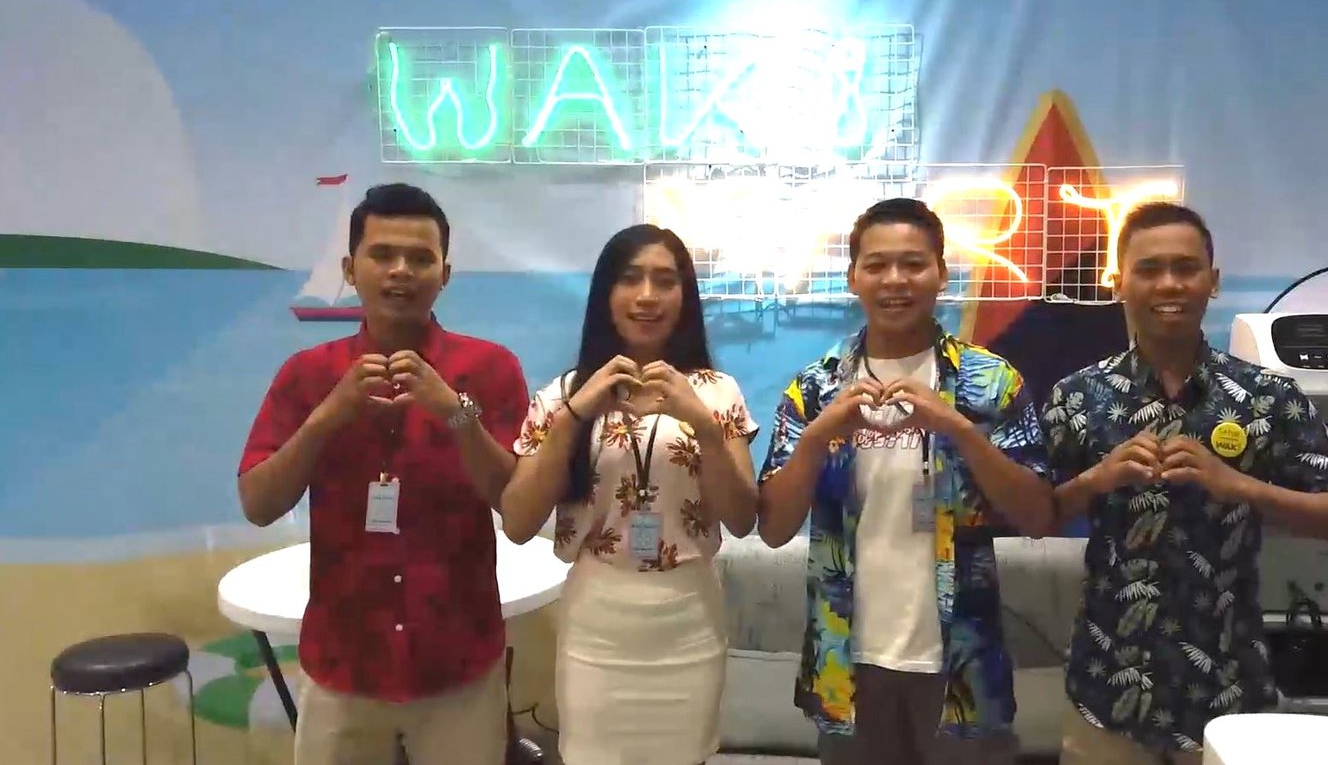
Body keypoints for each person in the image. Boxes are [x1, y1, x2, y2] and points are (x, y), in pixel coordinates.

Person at [1043, 201, 1328, 765]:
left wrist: (1238, 485)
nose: (1169, 284)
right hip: (1107, 687)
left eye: (1186, 268)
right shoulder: (1078, 396)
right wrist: (1097, 478)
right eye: (1149, 269)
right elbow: (1038, 515)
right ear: (1118, 283)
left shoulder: (1268, 397)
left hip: (1229, 690)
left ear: (1212, 282)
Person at [757, 197, 1058, 765]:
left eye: (913, 264)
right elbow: (772, 528)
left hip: (961, 666)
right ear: (853, 277)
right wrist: (818, 437)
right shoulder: (816, 387)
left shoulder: (991, 381)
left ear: (942, 273)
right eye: (876, 265)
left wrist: (959, 429)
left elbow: (1039, 516)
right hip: (848, 665)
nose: (895, 280)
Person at [237, 182, 530, 765]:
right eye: (382, 254)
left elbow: (517, 505)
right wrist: (328, 416)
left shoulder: (490, 369)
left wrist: (456, 414)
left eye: (420, 258)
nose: (401, 271)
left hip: (458, 663)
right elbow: (258, 503)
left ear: (445, 274)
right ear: (350, 270)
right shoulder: (307, 374)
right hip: (344, 664)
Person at [500, 223, 759, 765]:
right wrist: (575, 414)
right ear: (605, 294)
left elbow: (741, 519)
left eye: (665, 281)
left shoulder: (716, 392)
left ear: (684, 297)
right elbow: (519, 522)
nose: (647, 296)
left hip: (688, 620)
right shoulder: (565, 394)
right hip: (597, 623)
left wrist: (702, 423)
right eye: (630, 278)